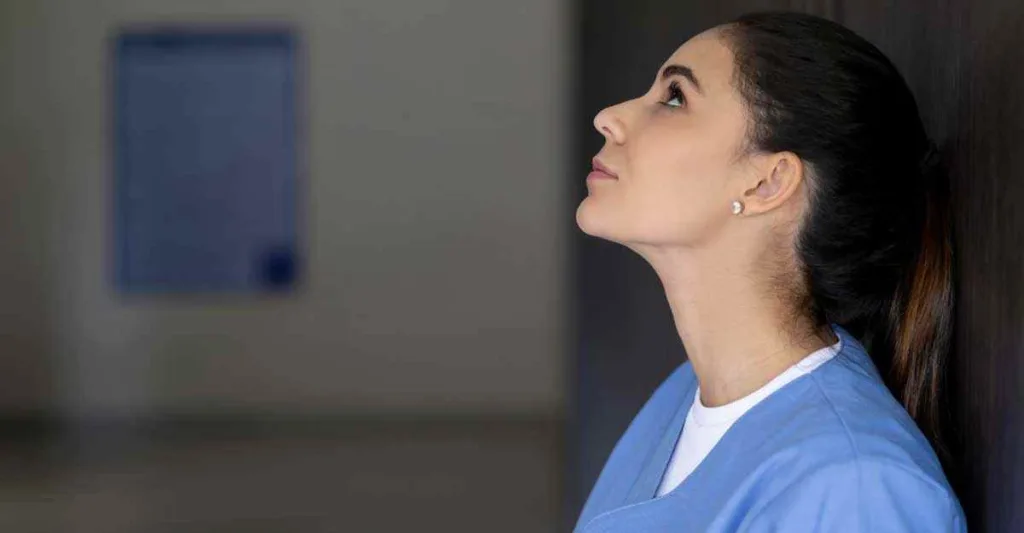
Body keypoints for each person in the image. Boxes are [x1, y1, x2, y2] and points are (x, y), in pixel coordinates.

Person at [573, 11, 967, 532]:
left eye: (674, 98)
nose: (609, 117)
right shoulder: (680, 396)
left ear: (767, 182)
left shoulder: (857, 490)